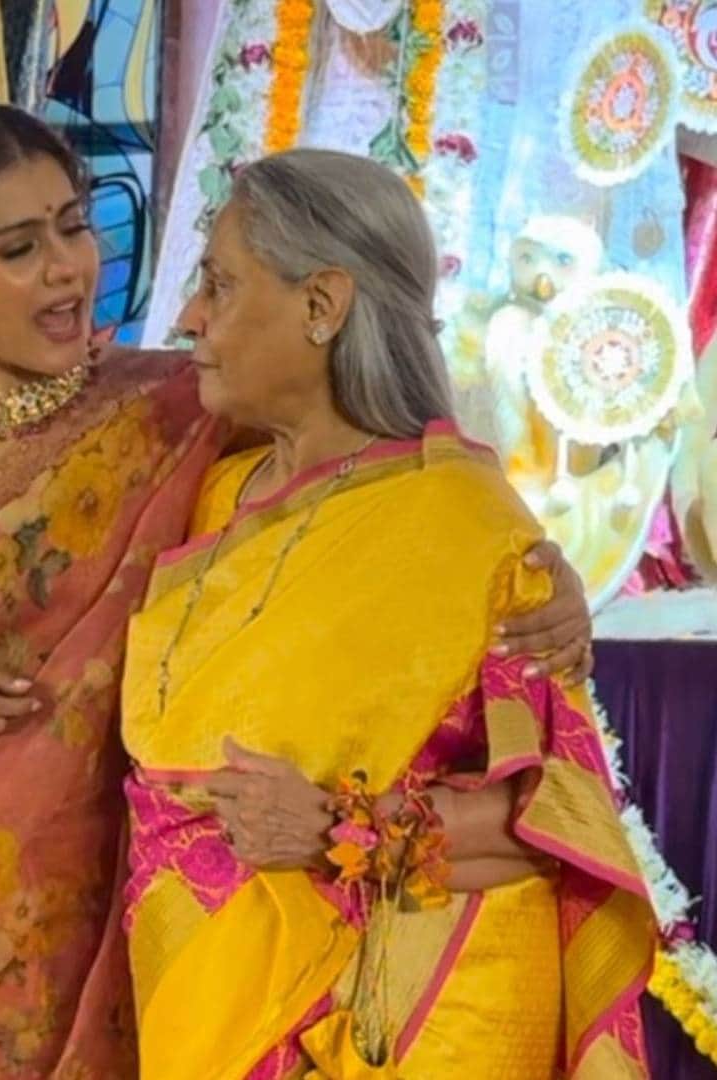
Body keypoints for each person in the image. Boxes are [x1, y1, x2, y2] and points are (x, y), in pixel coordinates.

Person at [0, 102, 594, 1077]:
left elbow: (380, 488)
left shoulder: (180, 410)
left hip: (118, 947)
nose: (69, 268)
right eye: (19, 247)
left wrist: (547, 575)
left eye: (76, 225)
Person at [120, 149, 654, 1078]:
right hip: (201, 994)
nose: (188, 319)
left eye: (218, 286)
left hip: (410, 1009)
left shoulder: (463, 522)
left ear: (323, 306)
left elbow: (553, 815)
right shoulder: (214, 492)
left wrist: (336, 826)